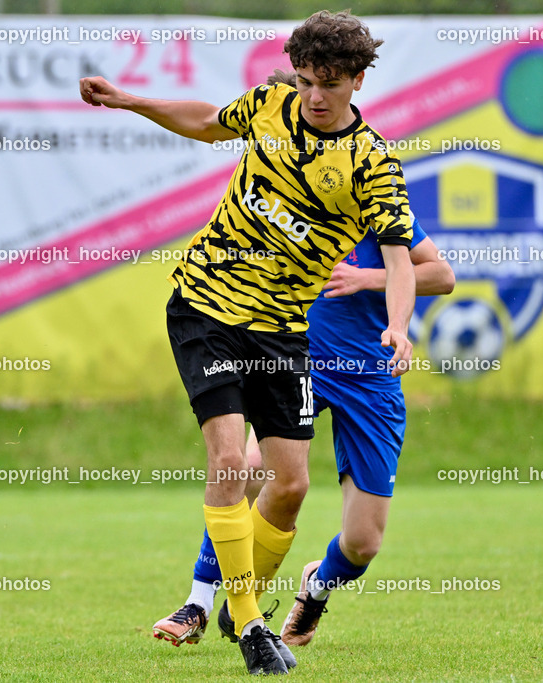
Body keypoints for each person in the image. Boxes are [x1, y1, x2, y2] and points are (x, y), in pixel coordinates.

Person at [80, 10, 417, 675]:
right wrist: (132, 100)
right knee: (231, 461)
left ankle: (239, 603)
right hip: (206, 305)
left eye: (328, 83)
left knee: (290, 485)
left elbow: (406, 260)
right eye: (304, 80)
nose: (313, 96)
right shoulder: (269, 106)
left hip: (285, 330)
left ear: (356, 80)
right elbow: (208, 121)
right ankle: (249, 619)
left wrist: (398, 324)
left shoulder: (373, 162)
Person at [151, 73, 455, 655]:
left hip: (371, 374)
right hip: (302, 357)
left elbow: (439, 274)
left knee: (363, 541)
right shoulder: (277, 181)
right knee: (246, 465)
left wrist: (368, 280)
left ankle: (309, 590)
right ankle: (203, 600)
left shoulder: (369, 188)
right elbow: (210, 123)